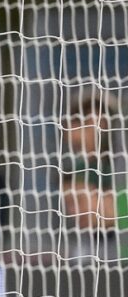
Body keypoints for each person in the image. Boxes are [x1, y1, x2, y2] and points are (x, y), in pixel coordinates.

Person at [59, 90, 128, 259]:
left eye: (77, 145)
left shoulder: (121, 157)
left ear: (95, 120)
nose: (80, 153)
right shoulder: (86, 169)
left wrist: (110, 210)